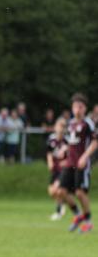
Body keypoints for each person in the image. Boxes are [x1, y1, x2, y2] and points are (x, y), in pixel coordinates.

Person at [61, 93, 97, 233]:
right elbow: (70, 143)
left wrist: (85, 157)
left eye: (80, 107)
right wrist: (64, 155)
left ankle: (88, 222)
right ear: (72, 108)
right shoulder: (70, 123)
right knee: (62, 191)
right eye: (75, 106)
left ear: (84, 108)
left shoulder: (88, 123)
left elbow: (95, 142)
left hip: (82, 163)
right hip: (70, 162)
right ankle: (78, 216)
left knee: (80, 193)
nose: (77, 109)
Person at [46, 119, 71, 221]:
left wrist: (67, 162)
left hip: (64, 170)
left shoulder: (68, 140)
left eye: (63, 127)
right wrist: (50, 162)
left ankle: (59, 212)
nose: (61, 129)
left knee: (57, 189)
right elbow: (49, 152)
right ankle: (64, 203)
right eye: (59, 126)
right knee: (52, 192)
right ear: (55, 127)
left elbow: (72, 155)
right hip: (55, 169)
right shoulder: (51, 139)